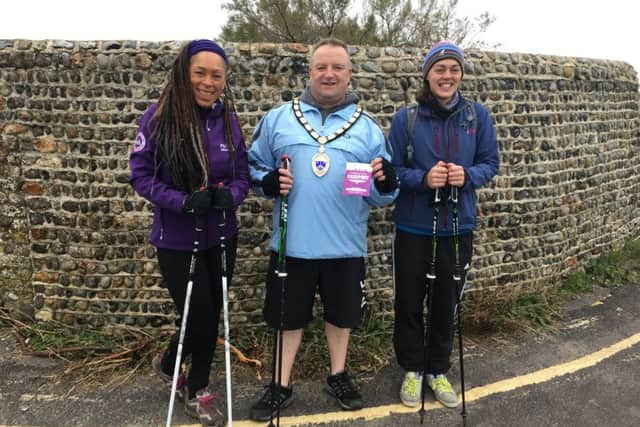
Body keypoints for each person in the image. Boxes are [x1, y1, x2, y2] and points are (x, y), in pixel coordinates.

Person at [247, 38, 398, 421]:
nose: (329, 74)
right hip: (291, 244)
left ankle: (338, 374)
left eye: (337, 68)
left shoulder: (368, 129)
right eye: (321, 67)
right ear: (310, 72)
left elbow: (382, 194)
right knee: (287, 318)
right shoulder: (279, 118)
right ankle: (280, 384)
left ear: (349, 74)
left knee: (341, 317)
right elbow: (251, 167)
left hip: (344, 245)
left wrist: (385, 184)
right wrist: (265, 182)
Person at [129, 39, 249, 426]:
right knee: (199, 316)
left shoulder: (228, 121)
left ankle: (171, 366)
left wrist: (226, 196)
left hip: (222, 234)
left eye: (216, 75)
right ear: (185, 73)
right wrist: (181, 201)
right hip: (178, 239)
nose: (208, 82)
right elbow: (141, 175)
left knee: (211, 314)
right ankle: (196, 388)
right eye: (200, 72)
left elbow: (242, 177)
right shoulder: (157, 118)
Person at [388, 41, 499, 409]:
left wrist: (464, 175)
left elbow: (490, 164)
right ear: (427, 74)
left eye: (453, 69)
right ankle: (412, 369)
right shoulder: (406, 118)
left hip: (457, 224)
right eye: (440, 69)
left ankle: (437, 369)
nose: (447, 76)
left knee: (445, 302)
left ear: (461, 74)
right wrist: (425, 179)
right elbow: (393, 172)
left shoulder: (477, 116)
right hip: (413, 226)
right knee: (408, 301)